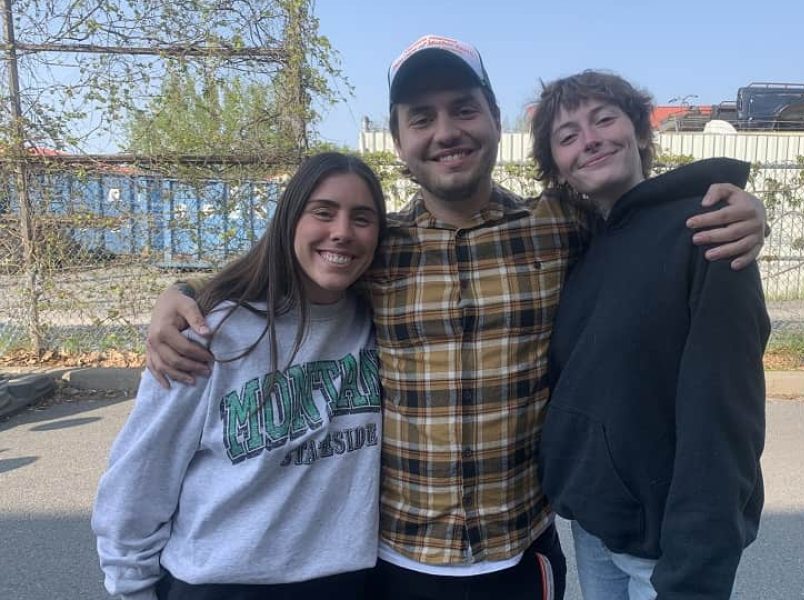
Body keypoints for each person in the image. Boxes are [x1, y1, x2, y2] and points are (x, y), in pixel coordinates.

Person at [143, 35, 769, 600]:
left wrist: (741, 207)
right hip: (398, 561)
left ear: (495, 122)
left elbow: (635, 219)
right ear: (400, 141)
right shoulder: (375, 247)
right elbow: (288, 263)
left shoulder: (560, 227)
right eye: (422, 118)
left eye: (464, 109)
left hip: (520, 556)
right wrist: (185, 292)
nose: (446, 131)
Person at [92, 152, 387, 600]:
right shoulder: (211, 330)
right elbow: (141, 476)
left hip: (346, 582)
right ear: (290, 220)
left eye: (361, 218)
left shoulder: (380, 320)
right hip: (221, 583)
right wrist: (131, 587)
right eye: (323, 212)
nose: (342, 231)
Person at [531, 71, 769, 600]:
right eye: (566, 136)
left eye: (603, 119)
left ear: (639, 131)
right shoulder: (580, 244)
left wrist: (697, 571)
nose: (588, 139)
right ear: (560, 169)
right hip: (595, 527)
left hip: (665, 554)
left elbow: (725, 416)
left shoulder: (707, 233)